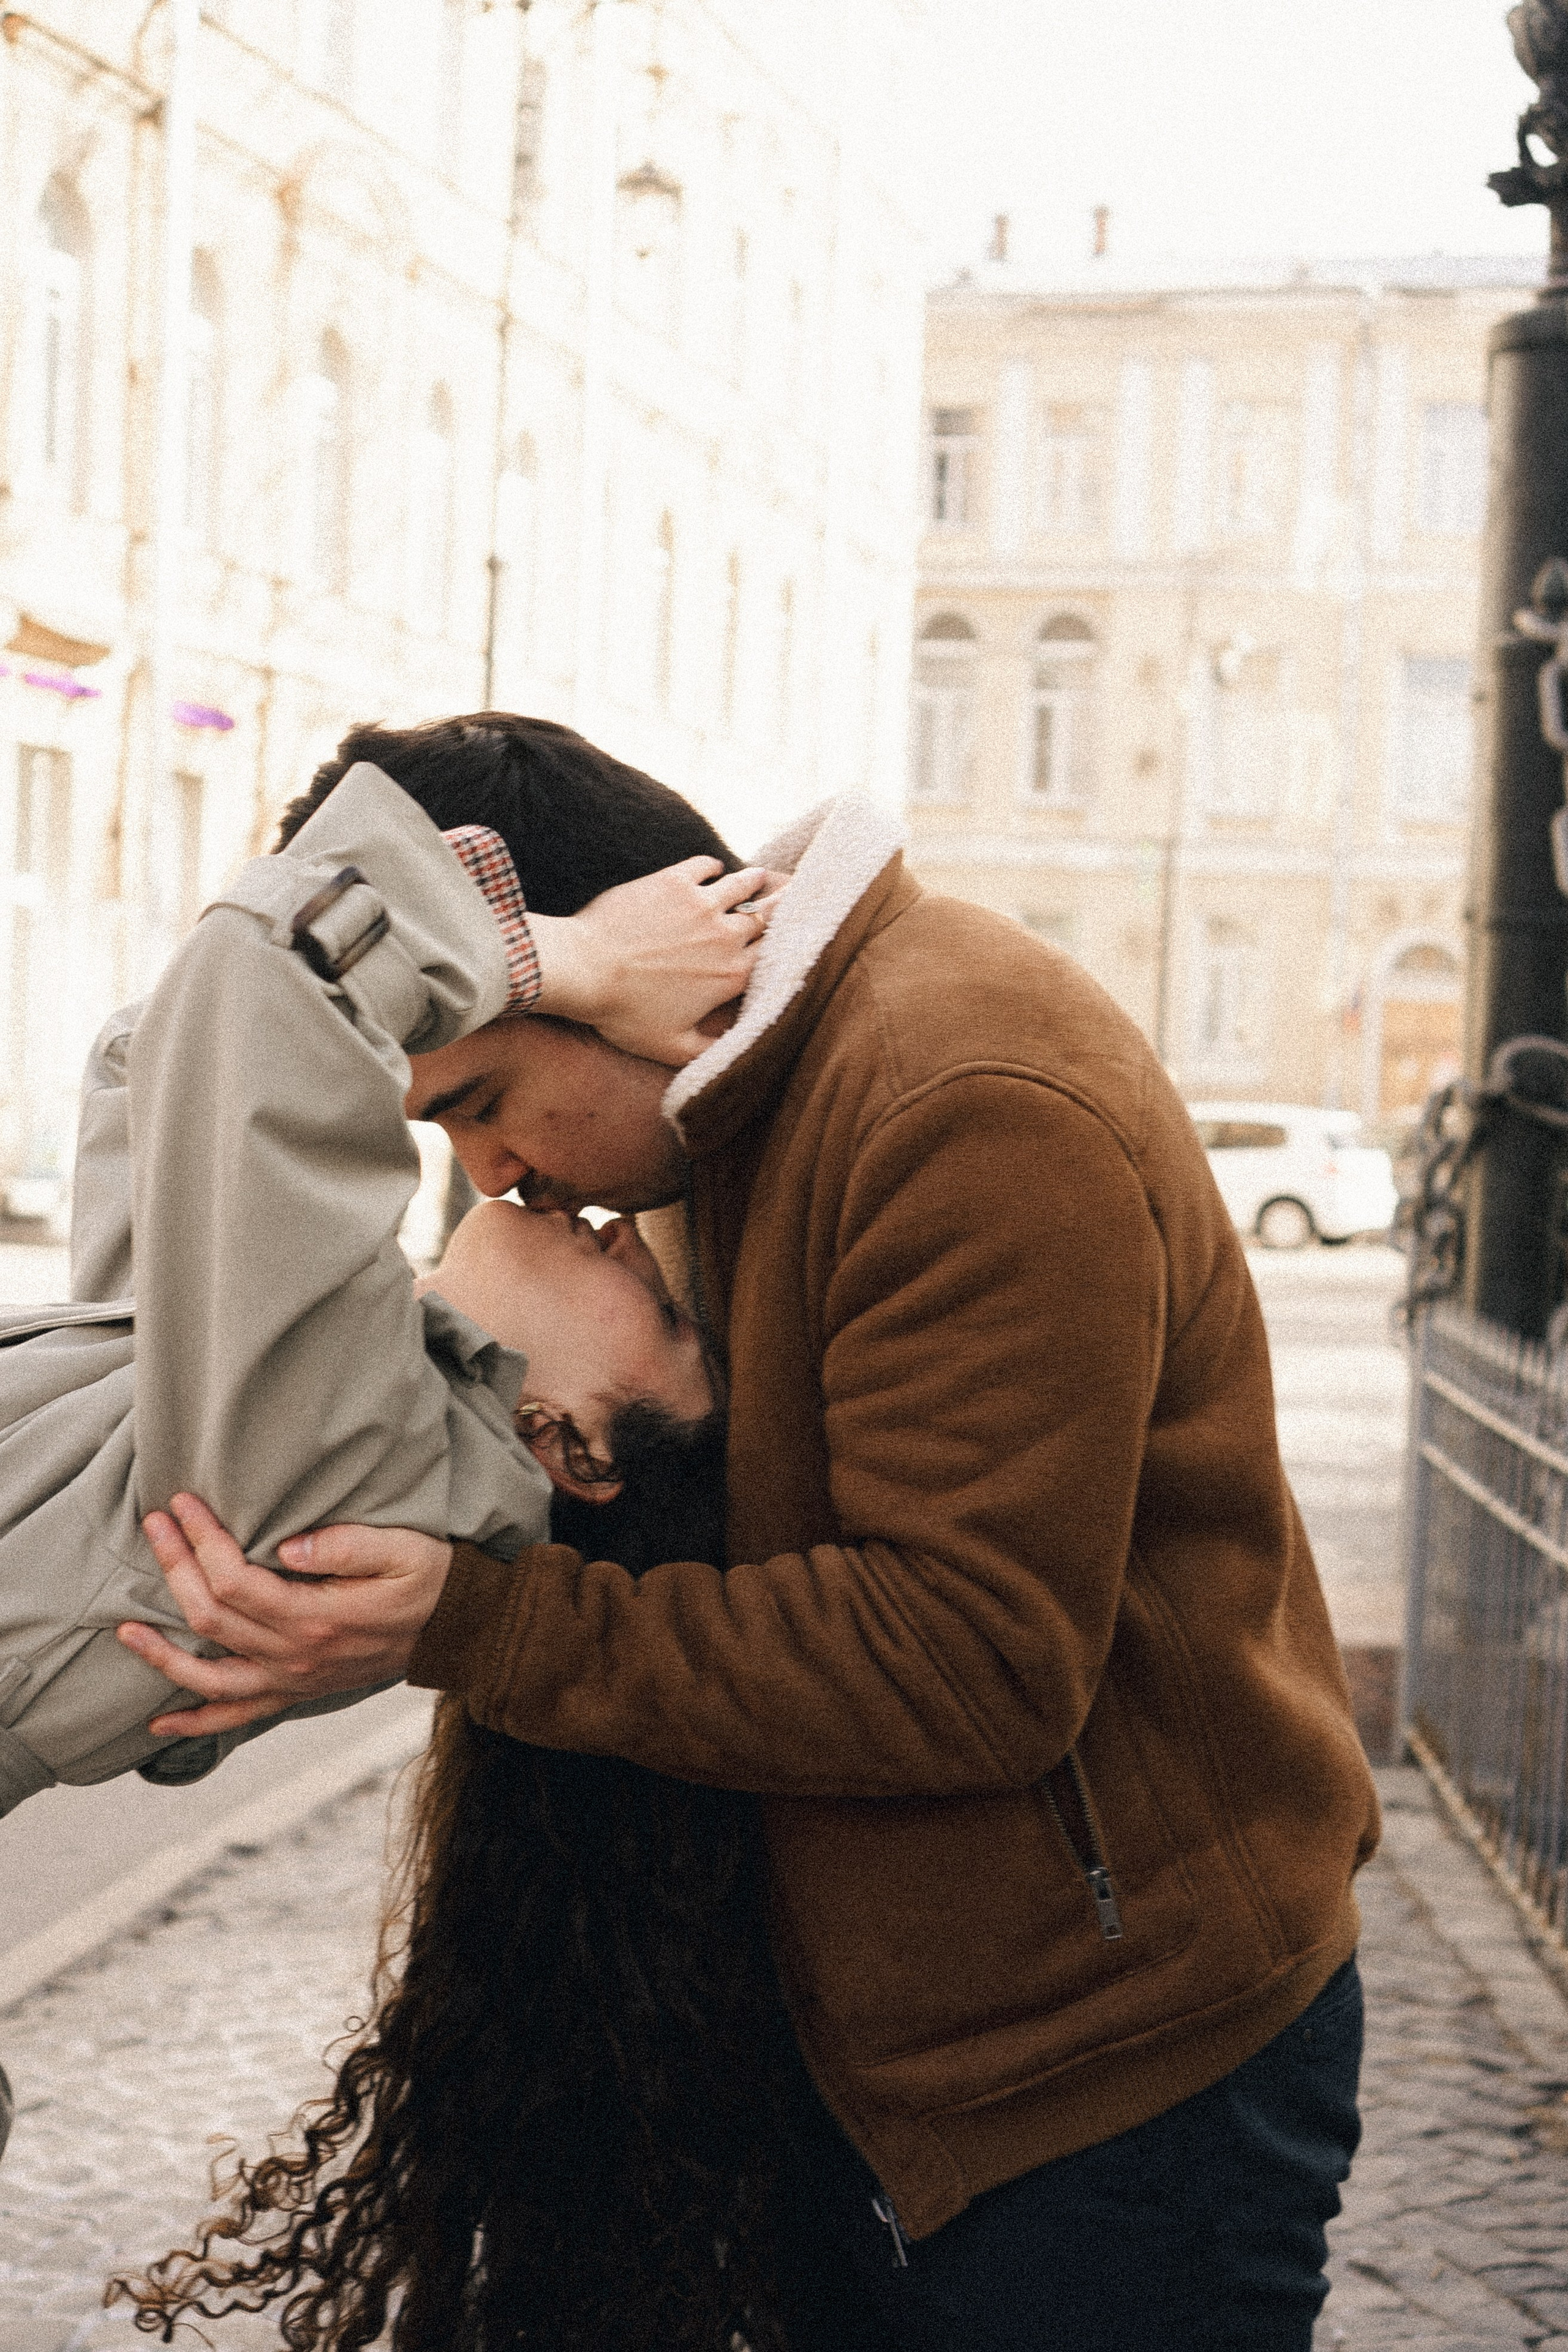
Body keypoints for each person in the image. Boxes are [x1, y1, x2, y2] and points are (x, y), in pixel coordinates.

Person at [126, 712, 1382, 2352]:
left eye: (485, 1100)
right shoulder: (729, 1108)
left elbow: (972, 1664)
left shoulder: (960, 1096)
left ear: (630, 962)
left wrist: (477, 1623)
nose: (492, 1174)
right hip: (902, 2058)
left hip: (1104, 2077)